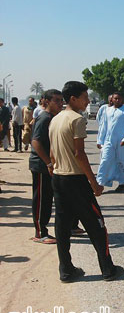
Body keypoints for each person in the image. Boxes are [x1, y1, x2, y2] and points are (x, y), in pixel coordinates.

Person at [49, 81, 124, 282]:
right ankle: (108, 269)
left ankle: (66, 270)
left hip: (59, 178)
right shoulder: (77, 120)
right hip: (76, 180)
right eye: (85, 97)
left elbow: (52, 154)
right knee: (97, 225)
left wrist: (55, 171)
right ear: (73, 99)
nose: (88, 100)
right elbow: (79, 154)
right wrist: (94, 182)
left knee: (62, 227)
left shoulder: (55, 119)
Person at [29, 89, 64, 244]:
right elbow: (35, 142)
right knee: (41, 200)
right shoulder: (44, 118)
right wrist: (48, 163)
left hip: (50, 166)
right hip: (41, 165)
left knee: (50, 198)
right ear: (47, 101)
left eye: (61, 100)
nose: (60, 103)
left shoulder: (53, 118)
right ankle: (40, 232)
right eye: (56, 100)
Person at [96, 92, 124, 192]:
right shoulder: (107, 110)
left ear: (122, 100)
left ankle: (122, 183)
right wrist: (100, 140)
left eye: (119, 99)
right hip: (108, 141)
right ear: (111, 100)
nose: (117, 100)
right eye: (115, 99)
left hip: (121, 142)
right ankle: (99, 183)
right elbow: (103, 126)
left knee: (122, 162)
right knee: (105, 160)